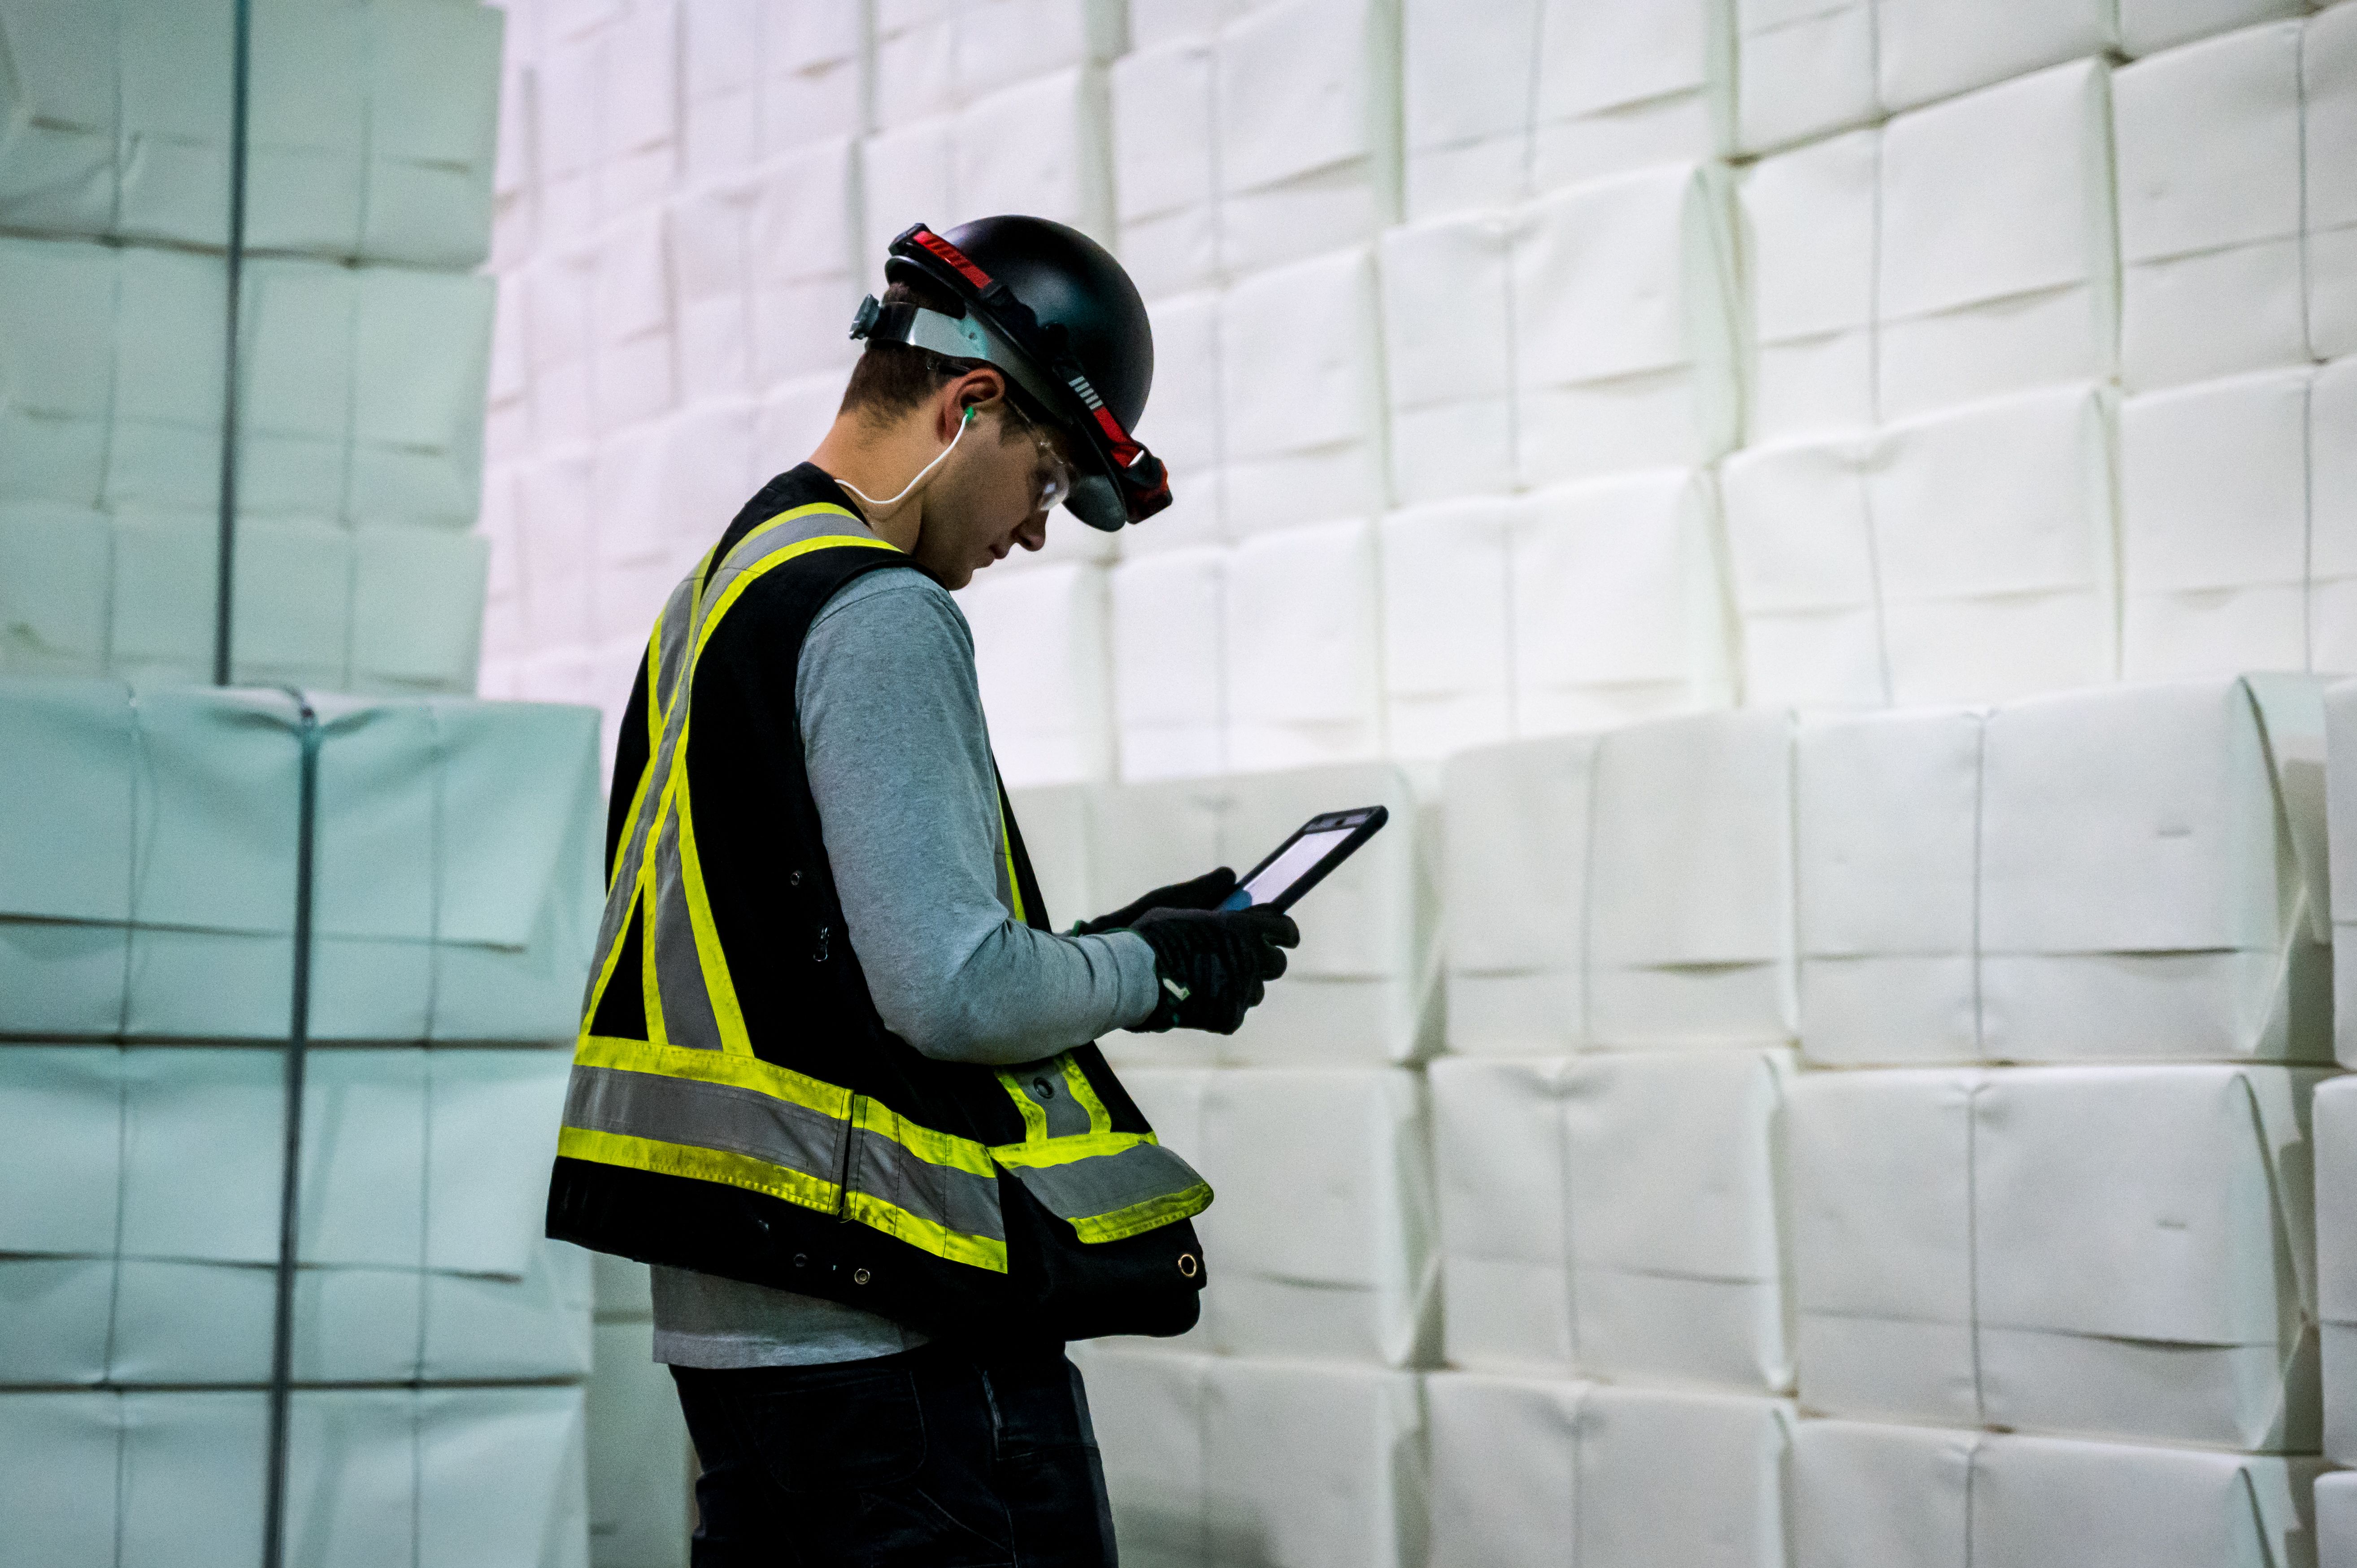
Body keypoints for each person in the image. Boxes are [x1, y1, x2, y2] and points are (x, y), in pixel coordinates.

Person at [546, 215, 1299, 1567]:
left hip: (748, 1346)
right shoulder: (880, 611)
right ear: (970, 402)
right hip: (899, 1354)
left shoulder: (714, 597)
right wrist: (1156, 970)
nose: (1035, 529)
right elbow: (948, 991)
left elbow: (821, 963)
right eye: (1050, 477)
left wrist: (1106, 946)